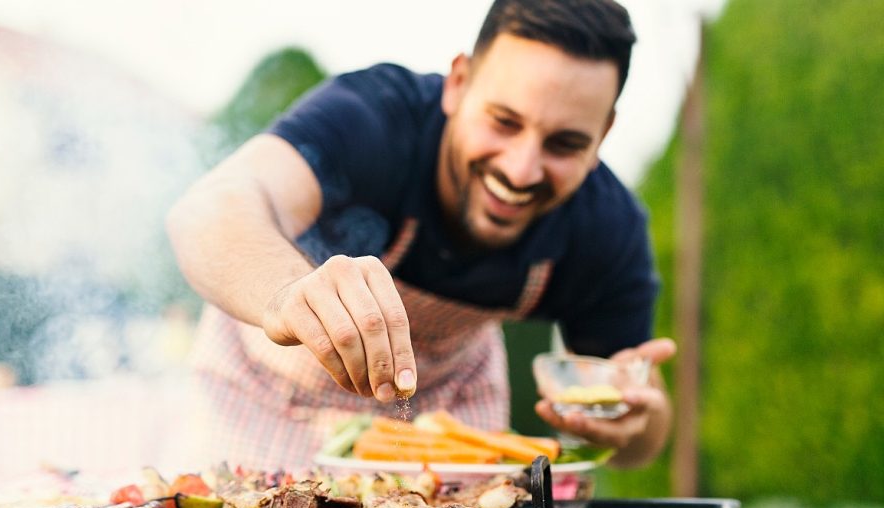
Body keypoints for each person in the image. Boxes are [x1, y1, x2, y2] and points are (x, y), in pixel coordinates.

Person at [167, 0, 675, 471]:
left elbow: (644, 438)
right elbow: (208, 210)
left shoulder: (607, 226)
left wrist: (632, 424)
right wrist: (286, 295)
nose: (521, 171)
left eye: (564, 144)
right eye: (503, 122)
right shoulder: (375, 117)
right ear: (458, 83)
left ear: (603, 133)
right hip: (263, 399)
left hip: (446, 416)